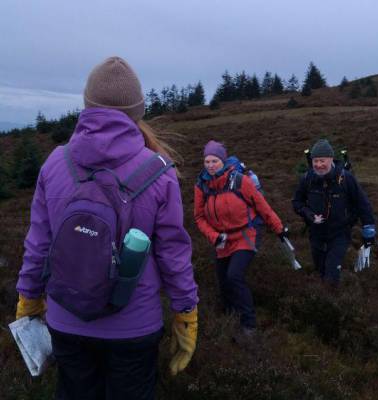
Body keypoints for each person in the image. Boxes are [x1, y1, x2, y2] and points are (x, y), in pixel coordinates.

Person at [15, 56, 198, 400]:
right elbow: (173, 252)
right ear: (137, 111)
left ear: (87, 105)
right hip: (134, 328)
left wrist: (28, 298)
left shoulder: (55, 163)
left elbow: (38, 243)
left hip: (65, 322)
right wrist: (185, 311)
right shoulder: (160, 172)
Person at [194, 140, 285, 336]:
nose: (210, 165)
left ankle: (249, 324)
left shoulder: (240, 181)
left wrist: (278, 228)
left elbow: (262, 206)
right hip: (221, 239)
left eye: (215, 161)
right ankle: (229, 318)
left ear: (223, 161)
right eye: (207, 161)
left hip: (246, 234)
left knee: (234, 275)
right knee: (223, 281)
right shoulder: (201, 185)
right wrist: (214, 236)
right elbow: (199, 217)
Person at [292, 139, 376, 287]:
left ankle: (333, 298)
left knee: (331, 274)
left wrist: (368, 228)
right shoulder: (307, 179)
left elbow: (362, 203)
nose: (318, 165)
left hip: (340, 233)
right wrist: (309, 215)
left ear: (331, 159)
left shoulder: (346, 178)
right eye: (315, 161)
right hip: (316, 233)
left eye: (322, 160)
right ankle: (324, 299)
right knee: (321, 270)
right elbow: (297, 203)